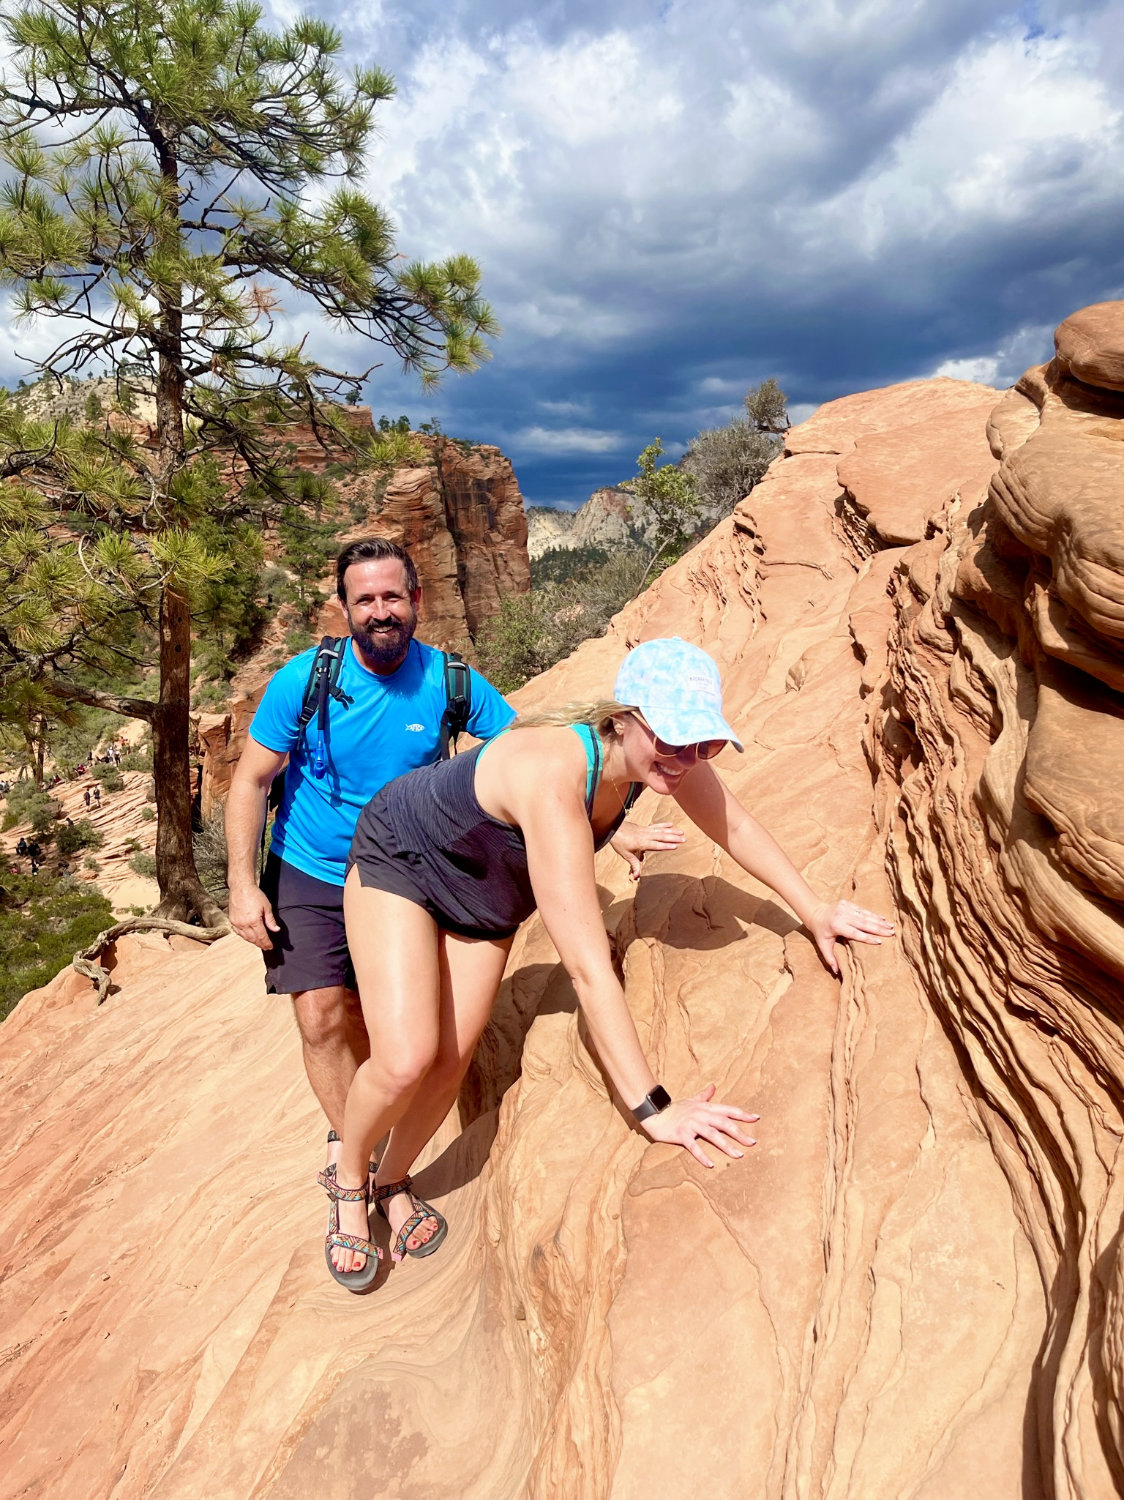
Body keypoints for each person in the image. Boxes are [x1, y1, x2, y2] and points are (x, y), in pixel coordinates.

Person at [325, 637, 896, 1290]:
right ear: (621, 717)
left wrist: (815, 909)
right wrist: (655, 1109)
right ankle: (348, 1175)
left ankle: (392, 1178)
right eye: (675, 740)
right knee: (405, 1056)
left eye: (705, 744)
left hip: (484, 891)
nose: (689, 759)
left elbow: (732, 825)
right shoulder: (552, 775)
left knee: (451, 1059)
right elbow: (590, 967)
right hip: (404, 856)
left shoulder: (665, 758)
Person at [226, 538, 684, 1185]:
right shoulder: (305, 681)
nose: (380, 611)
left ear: (415, 600)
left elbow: (533, 750)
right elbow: (249, 782)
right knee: (321, 1014)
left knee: (380, 1019)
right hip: (312, 864)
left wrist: (613, 822)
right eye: (365, 600)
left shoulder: (449, 680)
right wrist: (244, 886)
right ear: (345, 609)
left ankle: (374, 1130)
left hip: (407, 873)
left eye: (392, 596)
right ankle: (353, 1150)